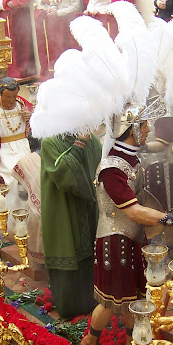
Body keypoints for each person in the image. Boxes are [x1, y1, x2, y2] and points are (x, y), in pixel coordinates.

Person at [79, 102, 173, 345]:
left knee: (134, 296)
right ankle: (89, 342)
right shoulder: (112, 168)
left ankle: (133, 343)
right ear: (131, 128)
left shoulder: (132, 158)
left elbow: (144, 199)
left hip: (130, 239)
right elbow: (133, 211)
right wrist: (168, 219)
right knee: (111, 302)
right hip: (114, 240)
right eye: (144, 125)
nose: (149, 129)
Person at [40, 134, 101, 318]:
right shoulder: (50, 142)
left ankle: (93, 302)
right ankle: (70, 307)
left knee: (90, 250)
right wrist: (78, 145)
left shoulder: (93, 141)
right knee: (69, 248)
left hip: (88, 208)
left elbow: (98, 166)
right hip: (63, 210)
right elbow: (63, 174)